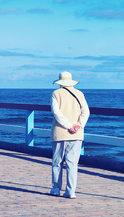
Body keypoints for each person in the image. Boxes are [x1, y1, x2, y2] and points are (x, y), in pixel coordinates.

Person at [50, 71, 90, 199]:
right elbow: (86, 112)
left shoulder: (56, 93)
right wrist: (78, 125)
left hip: (60, 133)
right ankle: (71, 191)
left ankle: (56, 188)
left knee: (57, 162)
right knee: (72, 163)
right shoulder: (80, 93)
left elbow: (56, 113)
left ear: (60, 82)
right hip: (77, 134)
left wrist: (68, 126)